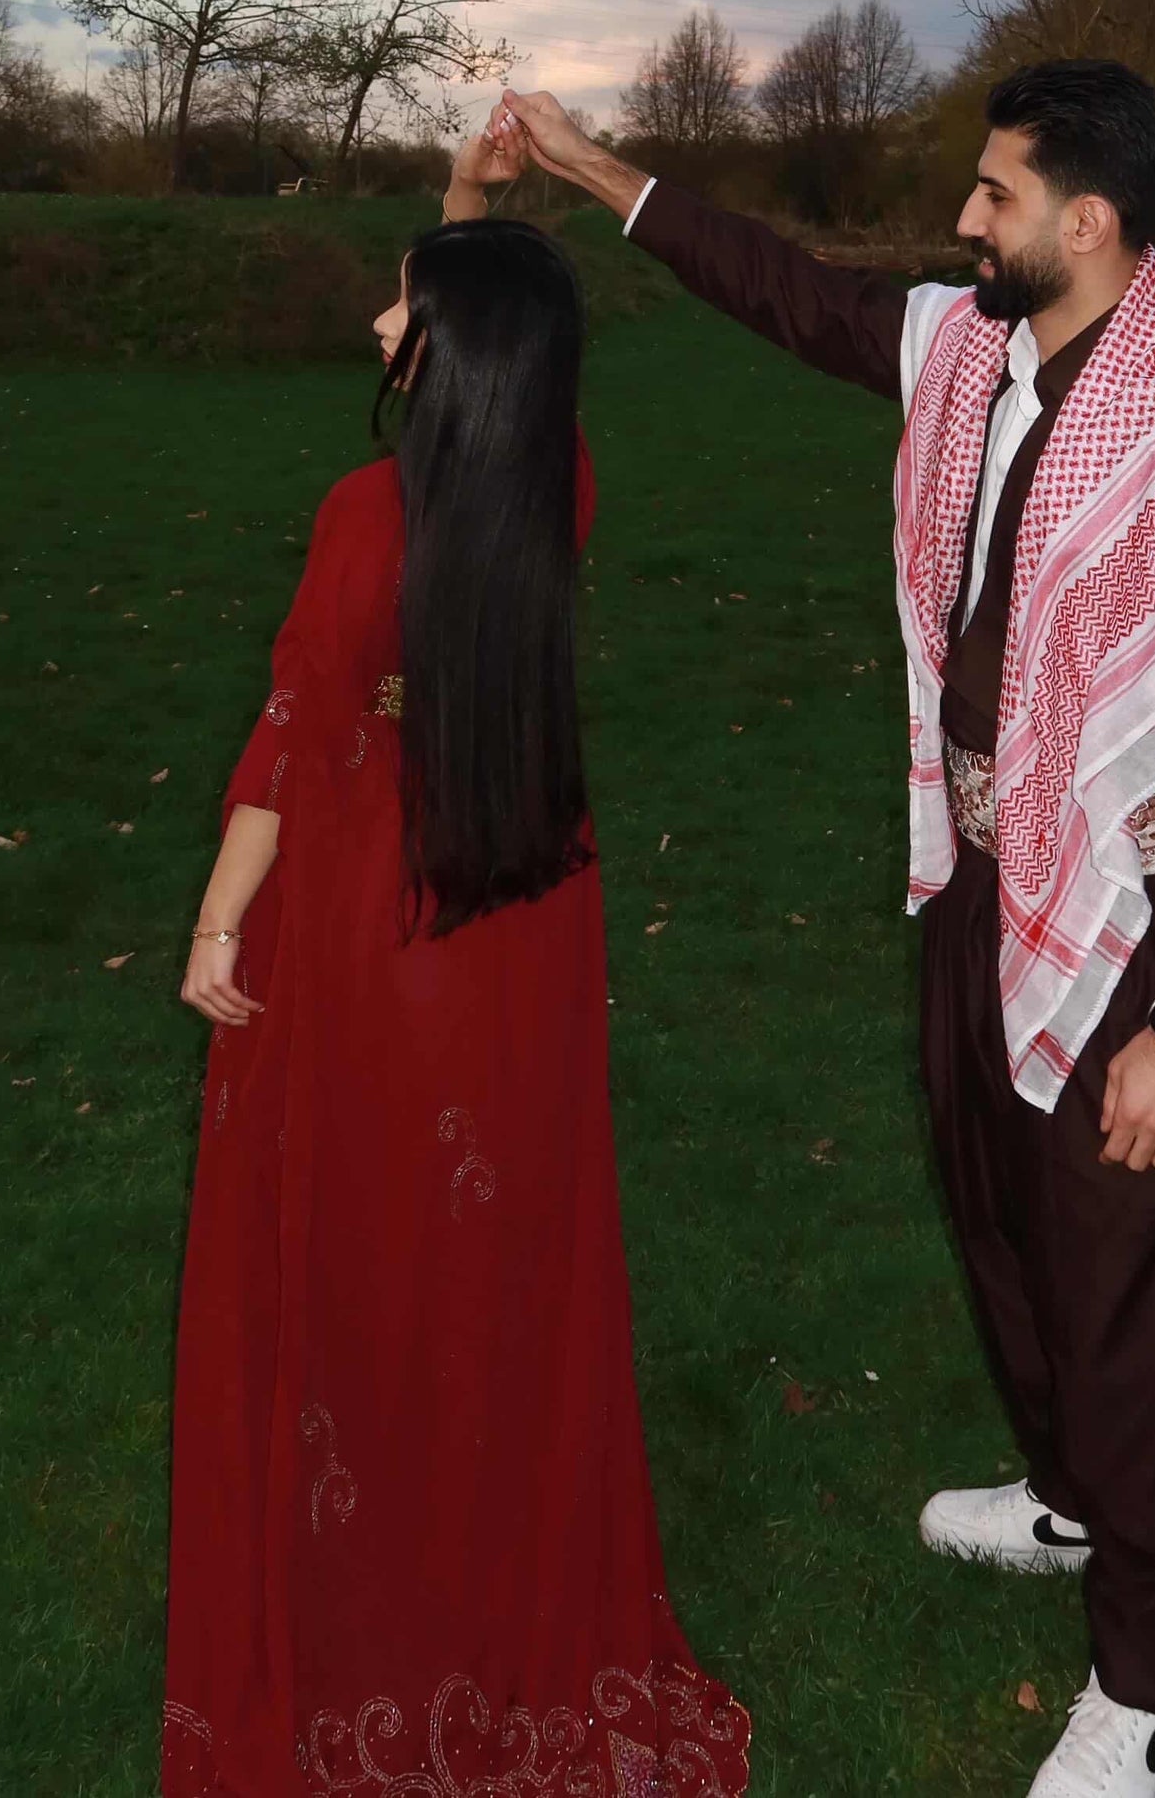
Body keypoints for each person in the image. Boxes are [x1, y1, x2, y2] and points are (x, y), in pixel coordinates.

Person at [489, 61, 1155, 1798]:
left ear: (1085, 225)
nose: (963, 218)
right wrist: (590, 171)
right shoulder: (978, 353)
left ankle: (1149, 1683)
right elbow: (793, 293)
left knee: (1141, 1302)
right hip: (985, 890)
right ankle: (1071, 1496)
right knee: (1002, 1224)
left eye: (993, 194)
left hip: (1131, 940)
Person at [161, 136, 752, 1798]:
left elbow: (292, 735)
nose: (375, 325)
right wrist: (467, 207)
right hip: (521, 916)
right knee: (500, 1244)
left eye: (399, 309)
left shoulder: (362, 517)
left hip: (374, 914)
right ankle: (493, 1525)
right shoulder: (556, 485)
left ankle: (372, 1568)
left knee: (359, 1245)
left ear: (448, 348)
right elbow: (504, 344)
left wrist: (215, 922)